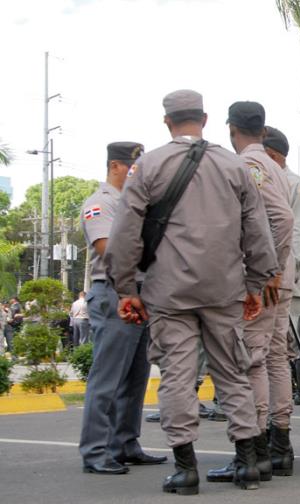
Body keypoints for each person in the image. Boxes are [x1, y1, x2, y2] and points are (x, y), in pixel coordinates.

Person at [104, 89, 279, 493]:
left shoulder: (148, 165)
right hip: (224, 288)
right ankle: (248, 463)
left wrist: (126, 288)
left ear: (168, 122)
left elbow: (126, 232)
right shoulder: (233, 166)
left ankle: (186, 470)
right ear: (204, 118)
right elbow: (258, 230)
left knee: (178, 378)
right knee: (233, 372)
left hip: (169, 292)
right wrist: (255, 283)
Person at [205, 102, 295, 485]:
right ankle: (279, 445)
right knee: (274, 358)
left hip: (264, 278)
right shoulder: (271, 164)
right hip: (276, 275)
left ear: (230, 127)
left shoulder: (249, 164)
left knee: (254, 360)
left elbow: (281, 218)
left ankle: (256, 450)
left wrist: (267, 270)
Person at [78, 141, 165, 476]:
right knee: (107, 378)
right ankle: (95, 450)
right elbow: (107, 249)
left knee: (136, 377)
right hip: (114, 294)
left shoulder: (134, 205)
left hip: (142, 294)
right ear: (115, 166)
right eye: (132, 167)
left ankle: (125, 444)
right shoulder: (101, 203)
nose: (136, 173)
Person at [262, 125, 300, 475]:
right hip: (266, 283)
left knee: (277, 360)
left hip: (286, 286)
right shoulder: (264, 182)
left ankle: (278, 439)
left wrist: (280, 275)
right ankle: (273, 438)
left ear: (275, 155)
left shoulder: (299, 186)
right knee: (269, 361)